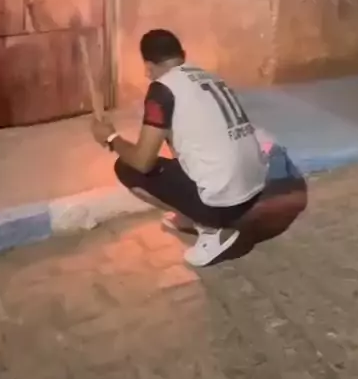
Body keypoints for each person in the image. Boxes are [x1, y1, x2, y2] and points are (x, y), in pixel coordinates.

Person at [91, 29, 269, 267]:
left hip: (225, 204)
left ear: (148, 66)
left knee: (127, 167)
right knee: (178, 149)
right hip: (254, 191)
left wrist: (111, 137)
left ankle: (211, 229)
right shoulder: (210, 77)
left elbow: (142, 161)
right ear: (182, 55)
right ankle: (194, 215)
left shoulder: (162, 89)